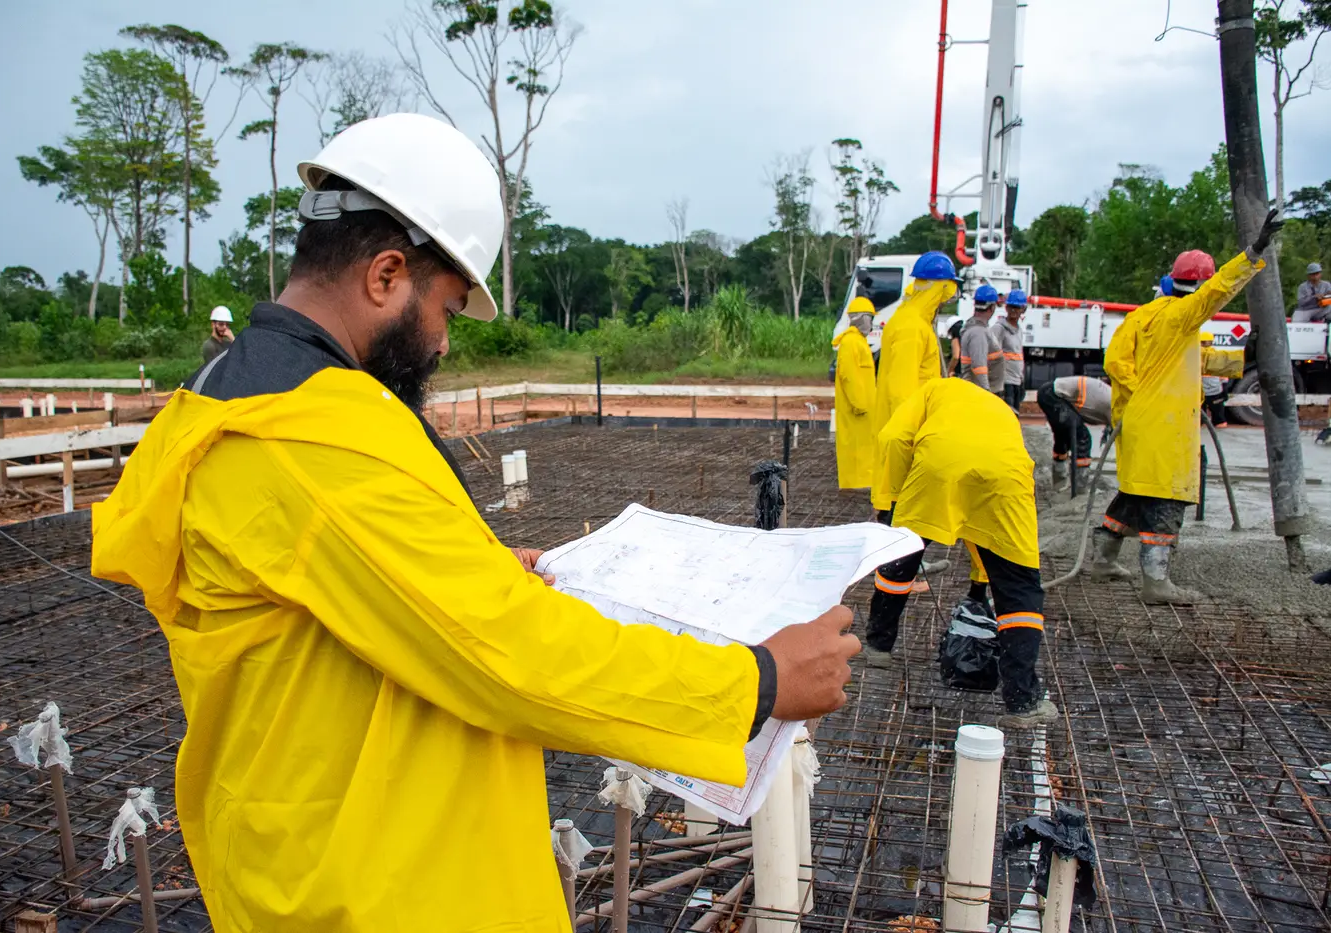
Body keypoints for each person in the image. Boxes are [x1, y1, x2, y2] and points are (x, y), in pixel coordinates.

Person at [91, 114, 861, 933]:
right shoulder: (316, 437)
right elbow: (510, 651)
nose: (446, 343)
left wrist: (469, 568)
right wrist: (757, 681)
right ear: (387, 275)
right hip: (384, 895)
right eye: (448, 308)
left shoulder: (226, 393)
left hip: (300, 860)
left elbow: (350, 601)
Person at [1092, 211, 1282, 605]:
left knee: (1136, 494)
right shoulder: (1183, 315)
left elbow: (1192, 360)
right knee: (1167, 499)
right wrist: (1255, 251)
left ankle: (1102, 561)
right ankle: (1156, 583)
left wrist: (1243, 356)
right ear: (1199, 284)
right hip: (1164, 427)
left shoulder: (1148, 317)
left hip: (1141, 422)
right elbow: (1219, 291)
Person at [865, 378, 1057, 728]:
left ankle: (878, 647)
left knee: (900, 558)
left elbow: (893, 438)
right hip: (1008, 477)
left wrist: (891, 503)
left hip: (939, 465)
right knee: (1020, 587)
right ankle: (1023, 701)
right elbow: (982, 532)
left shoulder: (933, 390)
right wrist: (979, 586)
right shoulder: (1001, 410)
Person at [869, 250, 959, 515]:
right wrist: (911, 439)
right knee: (900, 507)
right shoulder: (911, 327)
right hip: (906, 435)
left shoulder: (911, 319)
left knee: (905, 505)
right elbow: (901, 390)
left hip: (910, 428)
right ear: (940, 289)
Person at [1036, 375, 1111, 492]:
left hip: (1050, 392)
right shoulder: (1113, 405)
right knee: (1082, 438)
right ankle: (1079, 488)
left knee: (1063, 437)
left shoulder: (1111, 398)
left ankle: (1059, 484)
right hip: (1053, 395)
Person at [833, 296, 876, 490]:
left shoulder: (859, 342)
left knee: (864, 449)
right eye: (869, 318)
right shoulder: (851, 342)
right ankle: (854, 484)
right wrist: (859, 404)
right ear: (861, 318)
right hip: (856, 411)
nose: (871, 324)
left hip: (864, 412)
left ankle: (863, 481)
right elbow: (848, 376)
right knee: (855, 448)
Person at [958, 284, 1005, 395]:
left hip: (982, 390)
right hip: (982, 392)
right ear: (992, 307)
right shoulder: (978, 332)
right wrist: (986, 392)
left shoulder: (979, 329)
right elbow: (979, 366)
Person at [993, 289, 1027, 410]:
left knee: (1015, 415)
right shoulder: (999, 328)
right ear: (1006, 308)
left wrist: (1021, 378)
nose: (1013, 310)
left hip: (1016, 380)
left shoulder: (1018, 330)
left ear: (1023, 309)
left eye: (1017, 307)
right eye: (1011, 307)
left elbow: (1018, 354)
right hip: (1004, 381)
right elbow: (992, 354)